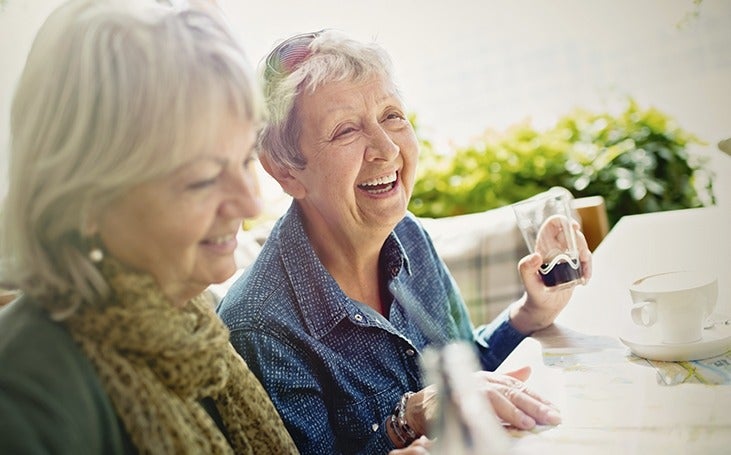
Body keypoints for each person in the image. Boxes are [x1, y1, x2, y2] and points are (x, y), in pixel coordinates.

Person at [217, 29, 593, 454]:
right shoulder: (259, 328)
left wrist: (530, 312)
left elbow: (465, 372)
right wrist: (405, 421)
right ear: (285, 170)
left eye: (391, 115)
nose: (386, 148)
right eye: (345, 130)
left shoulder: (407, 234)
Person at [0, 0, 300, 453]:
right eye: (202, 178)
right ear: (84, 198)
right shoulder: (26, 403)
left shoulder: (193, 333)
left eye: (244, 159)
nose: (251, 200)